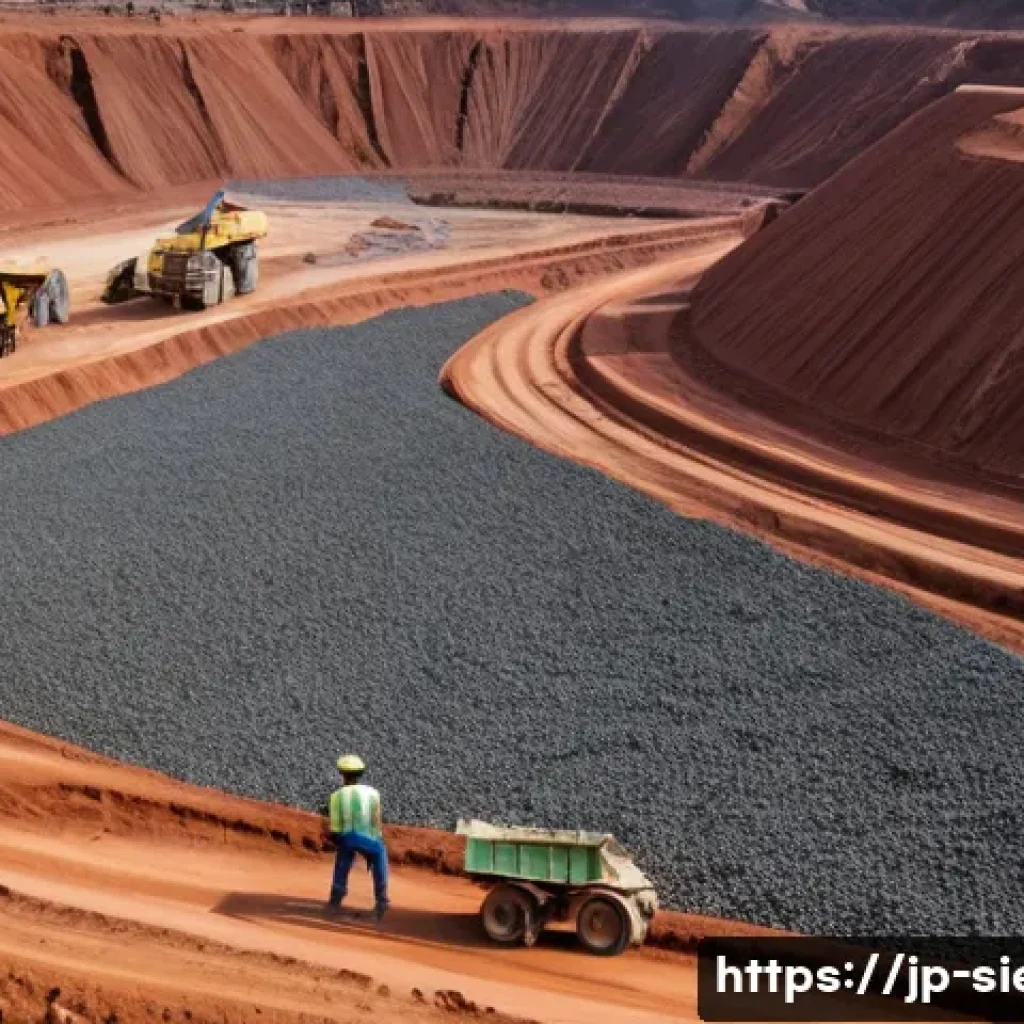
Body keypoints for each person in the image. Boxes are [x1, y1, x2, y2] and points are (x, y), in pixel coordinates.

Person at [327, 754, 389, 920]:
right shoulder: (374, 793)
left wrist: (337, 840)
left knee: (344, 854)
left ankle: (336, 895)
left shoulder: (336, 796)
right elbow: (376, 825)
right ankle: (382, 898)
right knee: (380, 853)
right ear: (360, 773)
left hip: (348, 838)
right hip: (371, 839)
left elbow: (335, 829)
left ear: (342, 774)